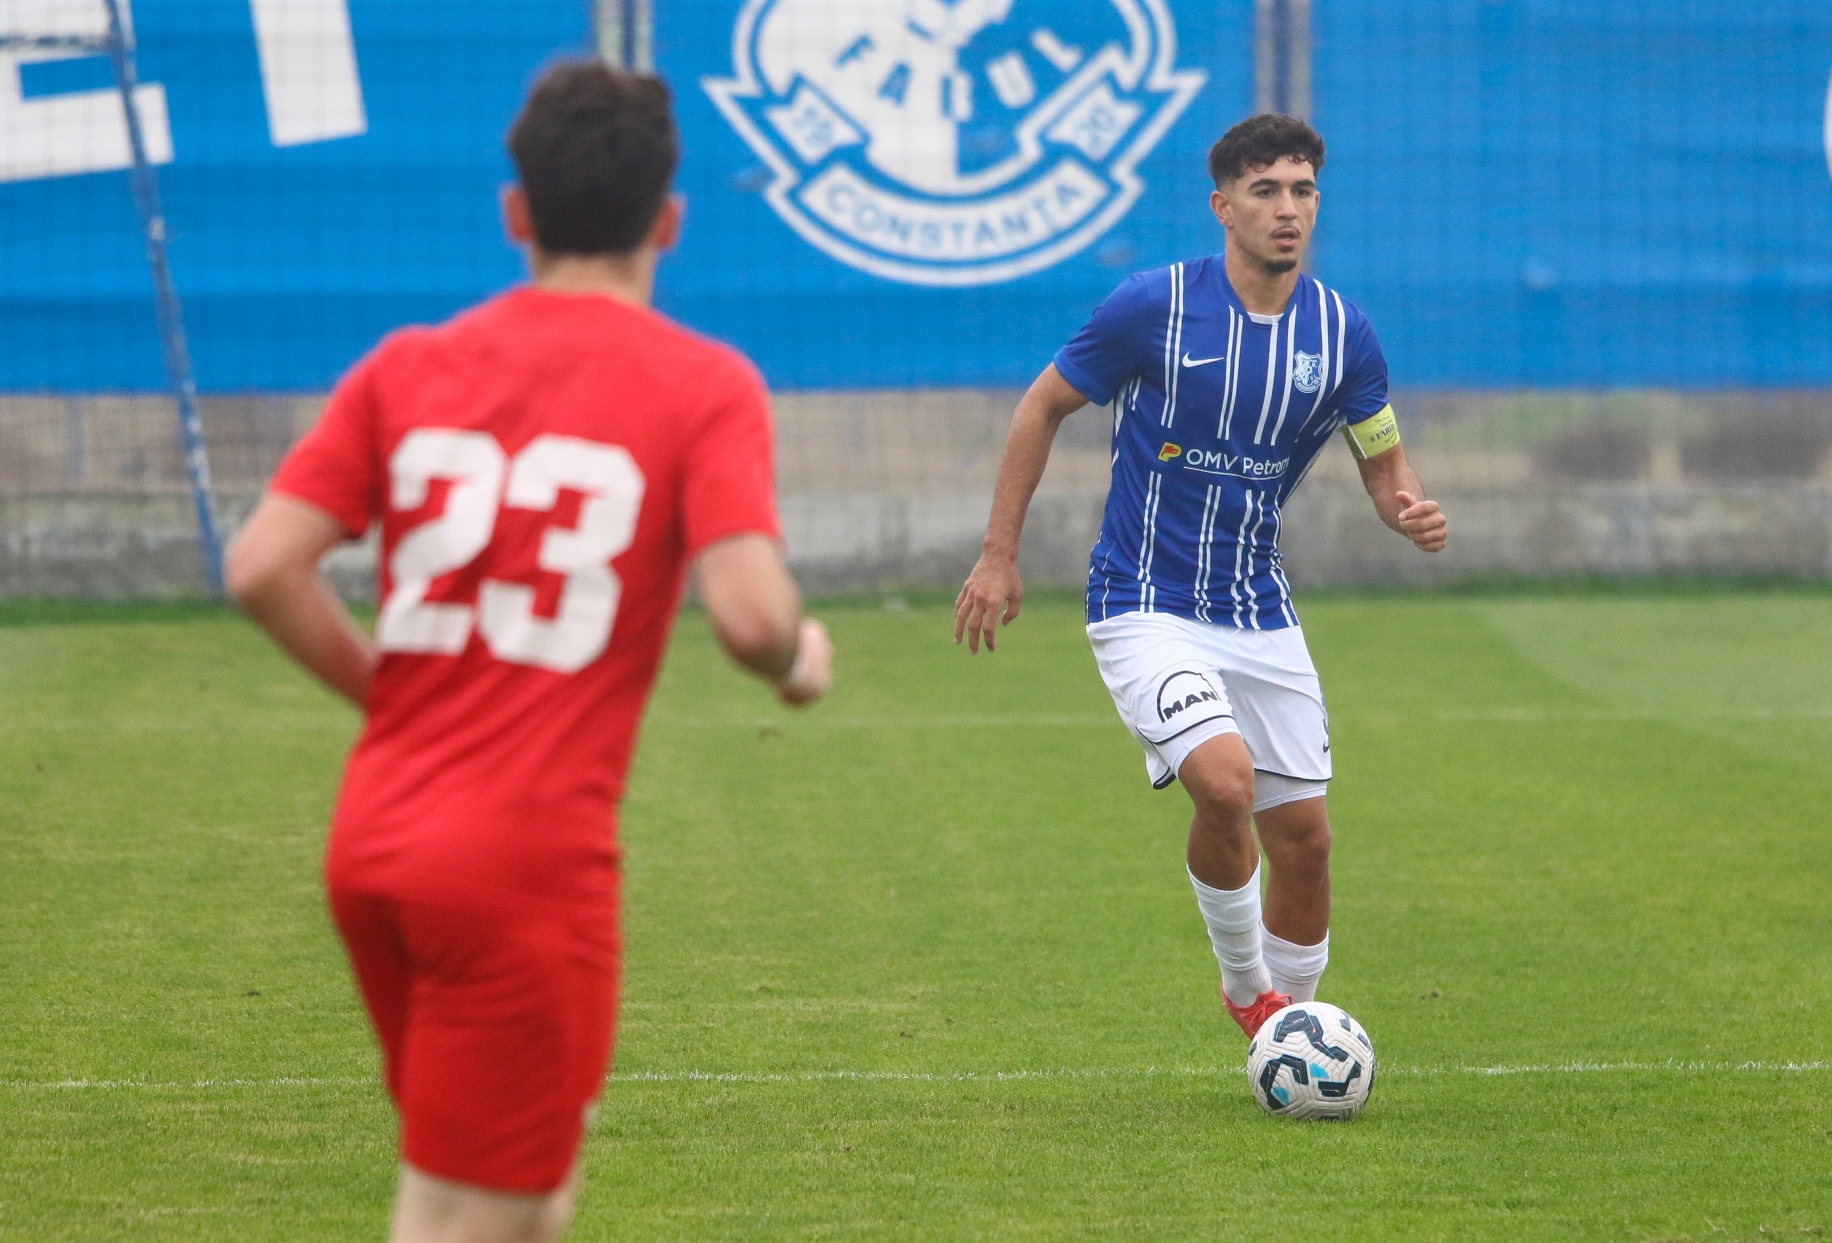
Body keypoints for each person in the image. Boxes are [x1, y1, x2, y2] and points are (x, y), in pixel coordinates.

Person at [225, 61, 832, 1243]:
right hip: (517, 871)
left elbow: (262, 566)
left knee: (513, 1199)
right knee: (466, 1218)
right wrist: (798, 657)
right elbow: (752, 616)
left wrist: (388, 698)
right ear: (669, 220)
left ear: (516, 212)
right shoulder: (701, 383)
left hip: (373, 841)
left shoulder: (406, 364)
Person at [953, 114, 1446, 1040]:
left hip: (1259, 610)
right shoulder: (1154, 306)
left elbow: (1383, 461)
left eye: (1302, 191)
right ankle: (1248, 990)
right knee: (1222, 785)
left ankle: (1292, 1035)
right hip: (1144, 602)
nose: (1287, 209)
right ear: (1222, 207)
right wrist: (997, 552)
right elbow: (1041, 406)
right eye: (1265, 191)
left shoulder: (1342, 334)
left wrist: (1406, 508)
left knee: (1305, 842)